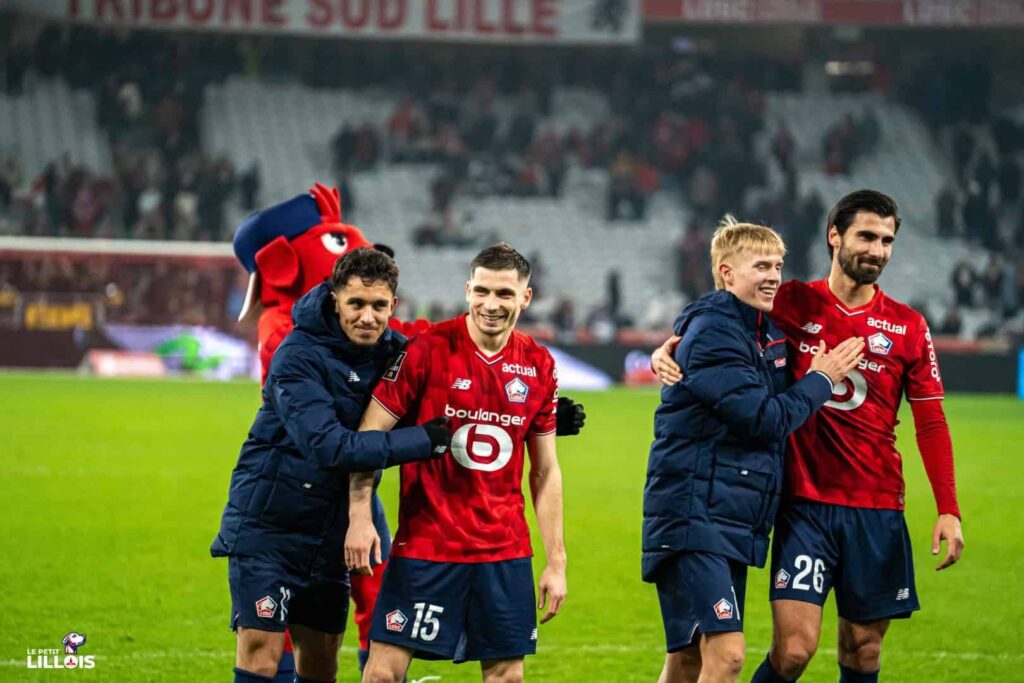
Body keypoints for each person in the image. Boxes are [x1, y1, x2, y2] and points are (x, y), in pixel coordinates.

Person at [653, 190, 965, 682]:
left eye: (887, 240)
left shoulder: (909, 327)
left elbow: (930, 421)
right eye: (866, 236)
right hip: (804, 505)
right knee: (794, 650)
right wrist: (671, 346)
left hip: (877, 504)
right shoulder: (790, 301)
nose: (877, 250)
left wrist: (948, 508)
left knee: (863, 650)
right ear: (834, 235)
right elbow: (720, 316)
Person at [211, 248, 452, 683]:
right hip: (270, 529)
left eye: (379, 306)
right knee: (261, 654)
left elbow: (459, 398)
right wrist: (424, 441)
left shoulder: (395, 353)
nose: (367, 317)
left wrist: (539, 420)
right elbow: (330, 448)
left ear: (393, 306)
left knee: (321, 664)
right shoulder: (297, 355)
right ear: (335, 298)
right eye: (356, 304)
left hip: (328, 537)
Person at [643, 219, 864, 683]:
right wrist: (823, 379)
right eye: (760, 265)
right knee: (727, 657)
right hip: (693, 514)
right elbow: (766, 419)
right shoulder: (715, 333)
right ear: (726, 273)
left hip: (727, 516)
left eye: (778, 266)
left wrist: (665, 347)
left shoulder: (761, 331)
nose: (773, 276)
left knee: (688, 660)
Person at [347, 243, 566, 683]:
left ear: (525, 298)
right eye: (481, 291)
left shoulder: (539, 364)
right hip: (426, 546)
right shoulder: (426, 350)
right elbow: (369, 437)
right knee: (382, 673)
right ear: (467, 291)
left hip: (504, 552)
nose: (491, 304)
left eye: (504, 294)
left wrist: (556, 560)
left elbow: (545, 470)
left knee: (507, 676)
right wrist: (359, 515)